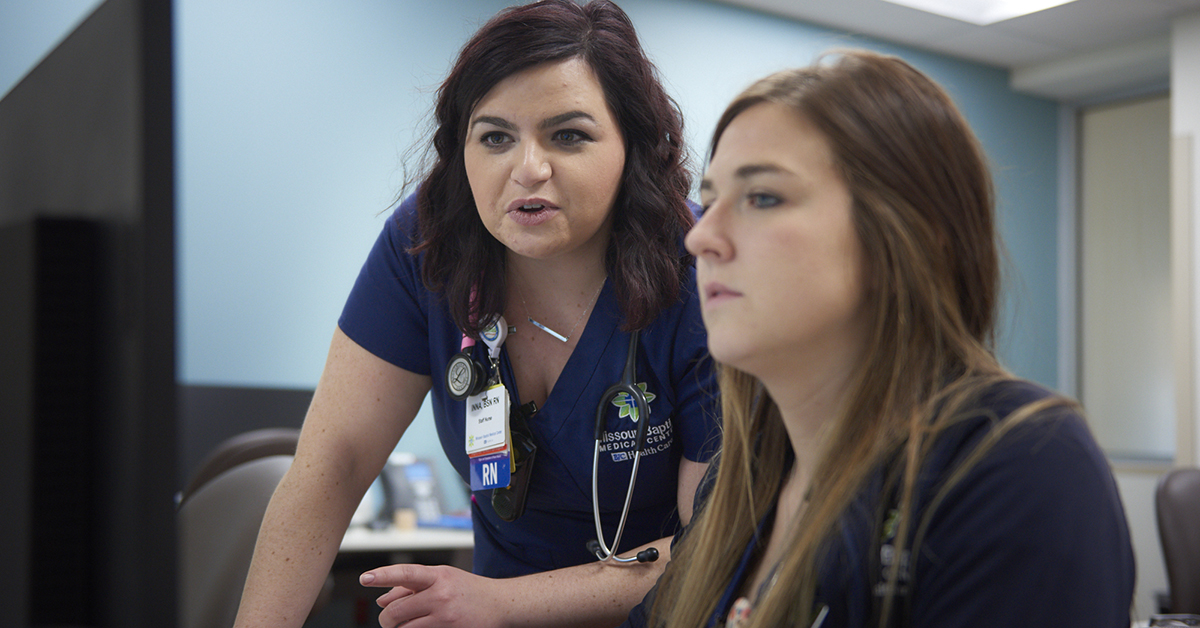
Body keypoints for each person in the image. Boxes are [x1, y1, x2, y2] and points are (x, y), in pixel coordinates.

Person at [232, 2, 720, 627]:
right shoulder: (429, 245)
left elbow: (716, 539)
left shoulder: (701, 269)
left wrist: (501, 603)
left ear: (634, 146)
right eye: (495, 137)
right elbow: (334, 464)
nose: (528, 169)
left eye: (569, 135)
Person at [632, 50, 1135, 628]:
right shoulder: (738, 482)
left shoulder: (1020, 464)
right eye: (711, 200)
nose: (701, 237)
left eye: (762, 197)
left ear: (906, 235)